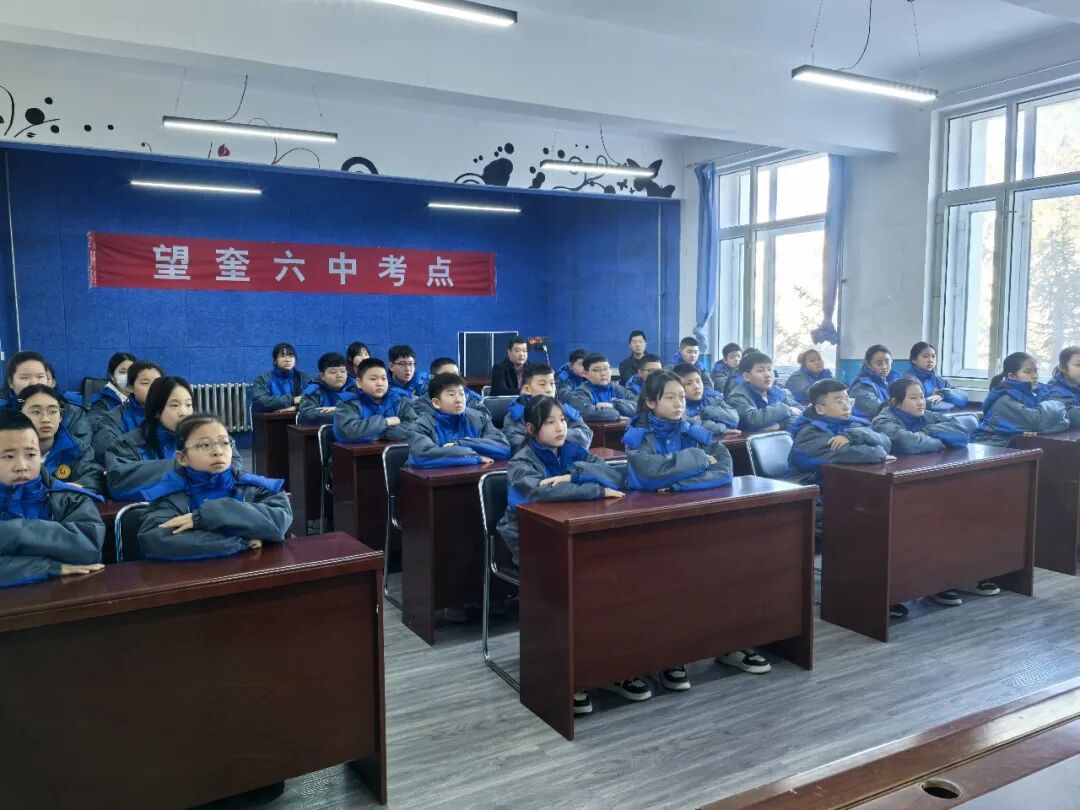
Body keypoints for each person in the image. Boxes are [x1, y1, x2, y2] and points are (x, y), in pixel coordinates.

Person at [624, 371, 769, 676]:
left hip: (699, 516)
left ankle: (728, 644)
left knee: (724, 576)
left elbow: (724, 470)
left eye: (681, 397)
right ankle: (669, 656)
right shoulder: (638, 434)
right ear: (651, 402)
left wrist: (678, 484)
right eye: (670, 397)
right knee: (668, 588)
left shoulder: (693, 429)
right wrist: (698, 461)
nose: (679, 403)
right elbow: (648, 475)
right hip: (653, 523)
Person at [496, 395, 625, 715]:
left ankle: (609, 665)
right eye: (551, 422)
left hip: (573, 532)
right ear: (531, 428)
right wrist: (594, 489)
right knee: (569, 589)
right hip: (531, 542)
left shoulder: (572, 451)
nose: (560, 428)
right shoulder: (521, 462)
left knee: (612, 580)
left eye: (563, 421)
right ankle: (566, 673)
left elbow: (615, 475)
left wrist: (572, 476)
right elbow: (541, 491)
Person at [872, 378, 997, 608]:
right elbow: (907, 444)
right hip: (899, 490)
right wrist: (939, 441)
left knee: (962, 516)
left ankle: (955, 577)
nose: (921, 402)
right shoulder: (884, 420)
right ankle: (929, 583)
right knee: (930, 525)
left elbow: (962, 435)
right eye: (913, 398)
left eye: (922, 396)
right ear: (895, 402)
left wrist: (926, 432)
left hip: (930, 482)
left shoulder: (927, 417)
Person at [136, 413, 290, 560]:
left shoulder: (255, 487)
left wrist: (208, 516)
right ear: (182, 458)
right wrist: (241, 542)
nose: (218, 451)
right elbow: (157, 540)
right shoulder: (170, 495)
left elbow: (279, 522)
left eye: (224, 443)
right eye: (204, 445)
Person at [0, 410, 105, 588]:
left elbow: (87, 548)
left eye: (30, 455)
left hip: (64, 594)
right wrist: (46, 567)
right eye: (8, 456)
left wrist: (10, 533)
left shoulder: (69, 498)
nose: (22, 466)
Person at [788, 379, 894, 488]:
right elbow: (845, 454)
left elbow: (886, 443)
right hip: (814, 490)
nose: (846, 406)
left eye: (847, 400)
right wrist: (879, 452)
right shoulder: (809, 433)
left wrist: (854, 435)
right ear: (820, 409)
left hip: (846, 484)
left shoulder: (853, 423)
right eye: (839, 401)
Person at [106, 376, 194, 501]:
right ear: (157, 411)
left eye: (188, 404)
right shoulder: (127, 445)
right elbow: (119, 485)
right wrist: (183, 467)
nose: (184, 412)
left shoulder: (204, 441)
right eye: (174, 405)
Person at [406, 372, 512, 469]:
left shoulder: (479, 419)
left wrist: (461, 443)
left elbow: (503, 448)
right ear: (436, 403)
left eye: (461, 394)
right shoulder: (421, 426)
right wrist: (475, 457)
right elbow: (423, 456)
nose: (459, 400)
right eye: (452, 395)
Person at [20, 384, 105, 493]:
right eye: (36, 412)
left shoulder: (78, 448)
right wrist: (60, 489)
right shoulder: (5, 448)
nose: (45, 419)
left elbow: (93, 481)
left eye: (52, 411)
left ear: (61, 416)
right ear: (20, 415)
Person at [974, 352, 1070, 446]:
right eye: (1028, 372)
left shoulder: (1038, 392)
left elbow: (1065, 421)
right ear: (1012, 376)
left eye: (1036, 371)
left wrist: (1040, 430)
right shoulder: (1004, 399)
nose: (1035, 376)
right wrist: (1058, 405)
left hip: (1017, 443)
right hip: (992, 445)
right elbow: (1036, 421)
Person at [3, 351, 93, 448]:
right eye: (25, 377)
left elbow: (82, 450)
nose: (34, 383)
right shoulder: (3, 414)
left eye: (40, 376)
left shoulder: (73, 413)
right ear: (10, 382)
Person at [502, 363, 593, 451]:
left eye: (552, 383)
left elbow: (585, 436)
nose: (549, 390)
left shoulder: (563, 409)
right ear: (527, 389)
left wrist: (558, 435)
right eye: (542, 384)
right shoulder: (517, 415)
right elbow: (516, 444)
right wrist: (549, 437)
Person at [90, 359, 163, 463]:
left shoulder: (171, 414)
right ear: (130, 387)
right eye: (145, 383)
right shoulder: (112, 419)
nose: (153, 388)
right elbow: (106, 454)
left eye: (158, 383)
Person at [333, 358, 412, 444]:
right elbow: (351, 432)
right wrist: (386, 422)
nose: (380, 383)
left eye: (383, 378)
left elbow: (415, 427)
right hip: (357, 452)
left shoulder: (398, 400)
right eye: (373, 379)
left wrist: (381, 434)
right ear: (359, 383)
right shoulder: (347, 404)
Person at [727, 352, 802, 433]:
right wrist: (788, 409)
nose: (768, 374)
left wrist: (781, 424)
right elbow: (753, 421)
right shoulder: (737, 396)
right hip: (748, 440)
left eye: (769, 369)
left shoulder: (775, 391)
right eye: (760, 370)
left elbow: (801, 412)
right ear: (747, 376)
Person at [563, 354, 637, 422]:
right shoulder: (579, 393)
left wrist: (614, 405)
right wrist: (618, 414)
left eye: (606, 369)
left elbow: (638, 405)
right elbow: (589, 414)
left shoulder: (616, 388)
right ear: (585, 374)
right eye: (597, 370)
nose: (603, 373)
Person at [674, 363, 739, 437]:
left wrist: (705, 413)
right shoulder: (678, 406)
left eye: (698, 381)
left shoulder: (711, 397)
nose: (696, 387)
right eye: (689, 383)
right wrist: (722, 428)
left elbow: (734, 419)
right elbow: (689, 427)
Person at [906, 342, 968, 412]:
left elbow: (963, 398)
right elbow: (924, 405)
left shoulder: (939, 379)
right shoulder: (909, 380)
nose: (930, 360)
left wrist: (943, 395)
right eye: (925, 356)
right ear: (914, 360)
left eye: (933, 356)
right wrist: (952, 405)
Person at [252, 342, 310, 413]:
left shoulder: (304, 377)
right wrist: (292, 400)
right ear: (274, 360)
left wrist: (296, 408)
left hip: (300, 417)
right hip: (272, 418)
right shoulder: (263, 379)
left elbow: (315, 399)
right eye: (283, 356)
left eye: (291, 356)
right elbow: (260, 401)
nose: (287, 360)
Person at [849, 345, 902, 419]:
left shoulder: (894, 381)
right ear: (868, 364)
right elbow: (879, 409)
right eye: (879, 364)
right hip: (868, 424)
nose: (884, 367)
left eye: (887, 362)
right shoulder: (862, 386)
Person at [298, 352, 351, 425]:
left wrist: (338, 409)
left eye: (343, 371)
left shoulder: (354, 388)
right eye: (333, 372)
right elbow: (308, 415)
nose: (339, 375)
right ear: (322, 376)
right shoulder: (313, 391)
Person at [86, 352, 136, 417]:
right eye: (123, 372)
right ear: (112, 376)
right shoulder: (101, 403)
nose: (129, 376)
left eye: (133, 371)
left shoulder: (136, 399)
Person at [1047, 346, 1080, 427]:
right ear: (1062, 368)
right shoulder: (1054, 390)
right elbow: (1067, 414)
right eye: (1078, 365)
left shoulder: (1076, 385)